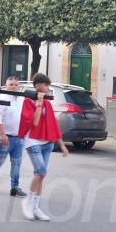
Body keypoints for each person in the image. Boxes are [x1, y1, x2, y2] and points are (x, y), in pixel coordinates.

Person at [19, 73, 69, 221]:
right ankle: (28, 201)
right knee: (40, 171)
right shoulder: (28, 102)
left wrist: (61, 144)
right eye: (45, 85)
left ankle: (35, 207)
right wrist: (39, 103)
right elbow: (34, 123)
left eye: (48, 85)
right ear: (37, 86)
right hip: (33, 141)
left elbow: (53, 124)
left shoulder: (47, 103)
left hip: (47, 142)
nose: (47, 88)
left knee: (41, 175)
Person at [0, 75, 27, 198]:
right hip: (5, 136)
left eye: (16, 85)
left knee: (16, 163)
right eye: (11, 84)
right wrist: (2, 134)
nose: (13, 87)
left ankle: (14, 188)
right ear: (6, 85)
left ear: (19, 86)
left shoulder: (21, 98)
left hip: (18, 137)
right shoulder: (2, 97)